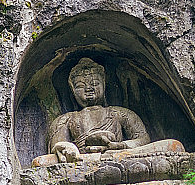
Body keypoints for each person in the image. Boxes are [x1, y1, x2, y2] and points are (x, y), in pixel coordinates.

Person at [32, 57, 183, 166]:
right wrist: (69, 149)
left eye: (95, 83)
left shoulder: (121, 113)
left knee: (173, 146)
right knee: (40, 163)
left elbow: (143, 140)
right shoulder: (65, 119)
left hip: (120, 156)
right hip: (82, 160)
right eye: (80, 86)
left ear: (104, 85)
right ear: (72, 91)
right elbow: (57, 149)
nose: (89, 89)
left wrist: (119, 146)